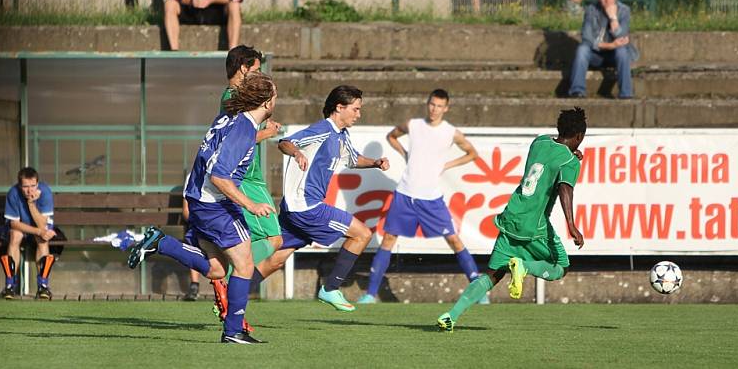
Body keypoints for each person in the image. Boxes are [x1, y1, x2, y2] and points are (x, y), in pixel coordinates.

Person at [127, 72, 277, 344]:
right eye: (275, 94)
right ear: (267, 103)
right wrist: (251, 205)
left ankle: (161, 242)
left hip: (199, 197)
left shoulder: (231, 117)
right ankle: (233, 331)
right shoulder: (243, 129)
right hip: (213, 203)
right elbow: (220, 176)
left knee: (217, 269)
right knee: (244, 265)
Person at [436, 107, 587, 332]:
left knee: (493, 274)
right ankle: (524, 267)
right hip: (535, 226)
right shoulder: (570, 162)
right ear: (579, 137)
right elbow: (565, 189)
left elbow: (553, 148)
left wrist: (571, 152)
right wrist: (572, 224)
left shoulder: (539, 142)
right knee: (561, 267)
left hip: (510, 217)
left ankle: (451, 316)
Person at [246, 85, 390, 313]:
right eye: (355, 109)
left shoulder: (341, 135)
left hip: (296, 209)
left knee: (277, 259)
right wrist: (296, 152)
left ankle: (232, 295)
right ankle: (331, 288)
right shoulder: (323, 130)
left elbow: (352, 159)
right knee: (362, 233)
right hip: (307, 207)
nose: (358, 114)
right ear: (339, 107)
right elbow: (285, 143)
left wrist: (375, 163)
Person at [357, 89, 482, 304]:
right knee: (388, 238)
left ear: (446, 108)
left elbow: (472, 153)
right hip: (405, 193)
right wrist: (405, 154)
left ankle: (478, 291)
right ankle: (370, 294)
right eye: (432, 104)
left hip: (431, 197)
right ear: (428, 104)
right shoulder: (413, 125)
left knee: (453, 239)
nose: (434, 109)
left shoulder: (451, 132)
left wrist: (448, 164)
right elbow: (392, 136)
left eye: (439, 106)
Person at [209, 46, 283, 325]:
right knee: (273, 239)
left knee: (248, 242)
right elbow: (235, 138)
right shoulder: (232, 96)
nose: (259, 74)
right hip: (246, 176)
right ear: (243, 68)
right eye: (255, 68)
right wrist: (267, 132)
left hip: (247, 173)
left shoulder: (234, 97)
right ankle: (225, 285)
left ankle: (231, 299)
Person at [567, 0, 636, 99]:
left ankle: (626, 94)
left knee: (622, 51)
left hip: (615, 56)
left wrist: (613, 18)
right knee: (582, 49)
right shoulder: (591, 10)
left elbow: (622, 38)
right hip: (596, 55)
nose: (607, 0)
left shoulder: (624, 10)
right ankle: (577, 91)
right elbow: (587, 38)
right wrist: (610, 45)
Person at [0, 167, 60, 300]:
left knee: (42, 238)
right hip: (21, 228)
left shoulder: (45, 192)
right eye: (25, 186)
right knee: (15, 235)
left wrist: (31, 204)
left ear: (37, 184)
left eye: (33, 186)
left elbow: (42, 225)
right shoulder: (13, 193)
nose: (30, 190)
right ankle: (10, 286)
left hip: (40, 227)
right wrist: (38, 231)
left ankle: (43, 286)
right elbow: (14, 224)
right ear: (19, 185)